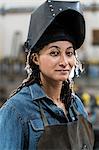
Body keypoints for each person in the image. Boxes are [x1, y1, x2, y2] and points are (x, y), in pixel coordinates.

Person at [0, 0, 94, 149]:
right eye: (54, 53)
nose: (64, 61)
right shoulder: (16, 111)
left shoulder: (76, 106)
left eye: (69, 53)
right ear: (35, 58)